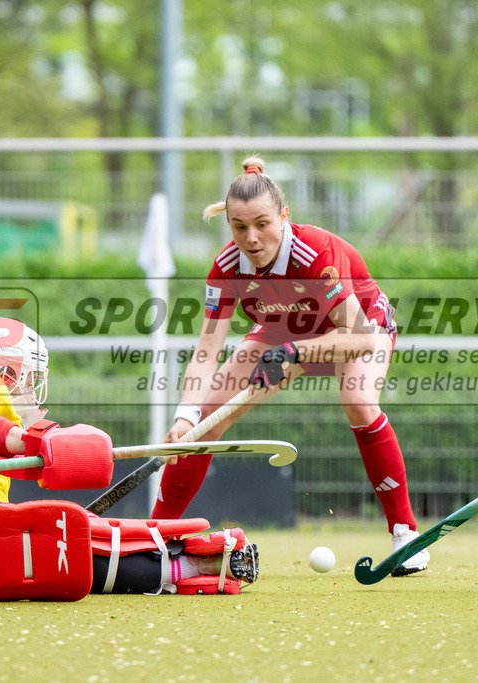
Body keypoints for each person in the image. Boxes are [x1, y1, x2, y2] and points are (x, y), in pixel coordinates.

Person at [0, 315, 258, 602]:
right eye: (28, 377)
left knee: (71, 527)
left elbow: (18, 456)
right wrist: (39, 442)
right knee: (60, 537)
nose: (31, 388)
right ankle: (186, 562)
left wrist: (51, 445)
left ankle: (178, 563)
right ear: (2, 371)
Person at [156, 156, 429, 577]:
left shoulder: (315, 252)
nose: (251, 239)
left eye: (262, 224)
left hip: (359, 326)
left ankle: (406, 535)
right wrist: (184, 415)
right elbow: (207, 349)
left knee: (358, 401)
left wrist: (294, 354)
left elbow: (357, 336)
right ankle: (154, 535)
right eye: (239, 227)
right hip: (281, 329)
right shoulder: (226, 268)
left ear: (284, 216)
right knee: (205, 421)